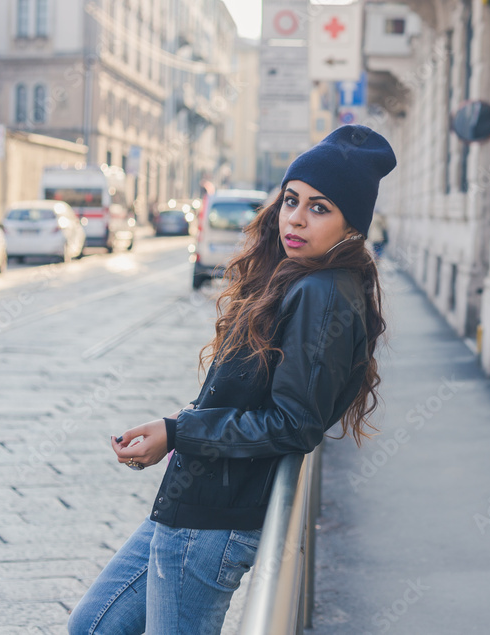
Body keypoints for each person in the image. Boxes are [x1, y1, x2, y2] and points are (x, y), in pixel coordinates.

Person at [67, 124, 397, 634]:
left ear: (350, 224)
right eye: (292, 200)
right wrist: (174, 427)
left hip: (212, 525)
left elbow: (293, 424)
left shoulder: (323, 293)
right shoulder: (297, 278)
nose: (296, 218)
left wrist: (178, 432)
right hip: (189, 506)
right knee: (93, 626)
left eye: (319, 208)